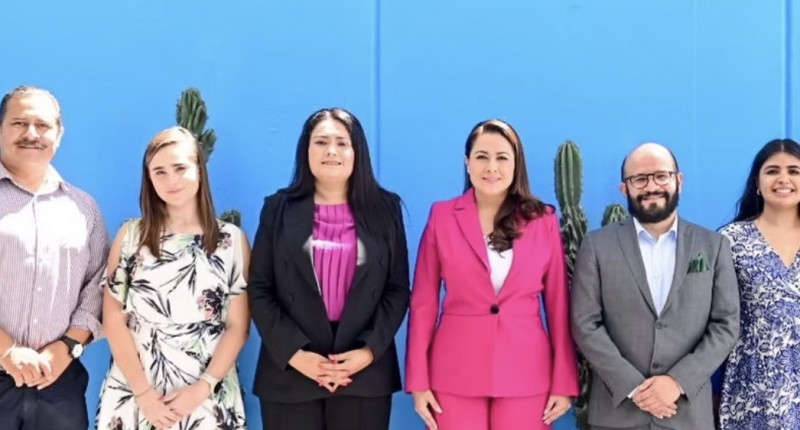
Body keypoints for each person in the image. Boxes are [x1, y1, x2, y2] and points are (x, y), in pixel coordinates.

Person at [405, 119, 578, 430]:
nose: (491, 167)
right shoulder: (442, 216)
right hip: (454, 372)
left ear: (516, 164)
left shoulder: (543, 220)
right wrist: (418, 381)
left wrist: (564, 381)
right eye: (482, 156)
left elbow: (558, 306)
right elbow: (423, 303)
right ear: (467, 162)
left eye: (502, 158)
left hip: (527, 373)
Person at [248, 108, 409, 430]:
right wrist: (296, 355)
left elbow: (397, 289)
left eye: (342, 143)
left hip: (362, 373)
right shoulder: (278, 208)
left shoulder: (385, 208)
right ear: (305, 150)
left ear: (357, 151)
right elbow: (260, 289)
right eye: (321, 142)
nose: (331, 151)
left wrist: (367, 352)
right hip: (291, 371)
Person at [570, 142, 740, 430]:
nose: (651, 186)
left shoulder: (713, 246)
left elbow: (726, 324)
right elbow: (585, 323)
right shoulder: (596, 246)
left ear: (679, 180)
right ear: (625, 188)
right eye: (639, 179)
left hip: (687, 415)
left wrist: (677, 381)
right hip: (616, 416)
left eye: (661, 176)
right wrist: (634, 387)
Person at [95, 126, 250, 429]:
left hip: (207, 394)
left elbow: (238, 326)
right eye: (160, 172)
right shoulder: (131, 237)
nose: (171, 180)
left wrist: (202, 388)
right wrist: (143, 393)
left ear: (199, 170)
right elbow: (113, 319)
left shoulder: (231, 240)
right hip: (137, 392)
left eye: (180, 168)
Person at [0, 85, 109, 430]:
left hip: (58, 383)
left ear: (59, 134)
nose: (32, 134)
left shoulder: (83, 207)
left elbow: (98, 285)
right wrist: (6, 350)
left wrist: (66, 347)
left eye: (43, 125)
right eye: (20, 123)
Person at [718, 139, 800, 429]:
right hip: (754, 386)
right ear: (757, 182)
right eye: (772, 171)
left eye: (794, 171)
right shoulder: (731, 241)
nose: (783, 179)